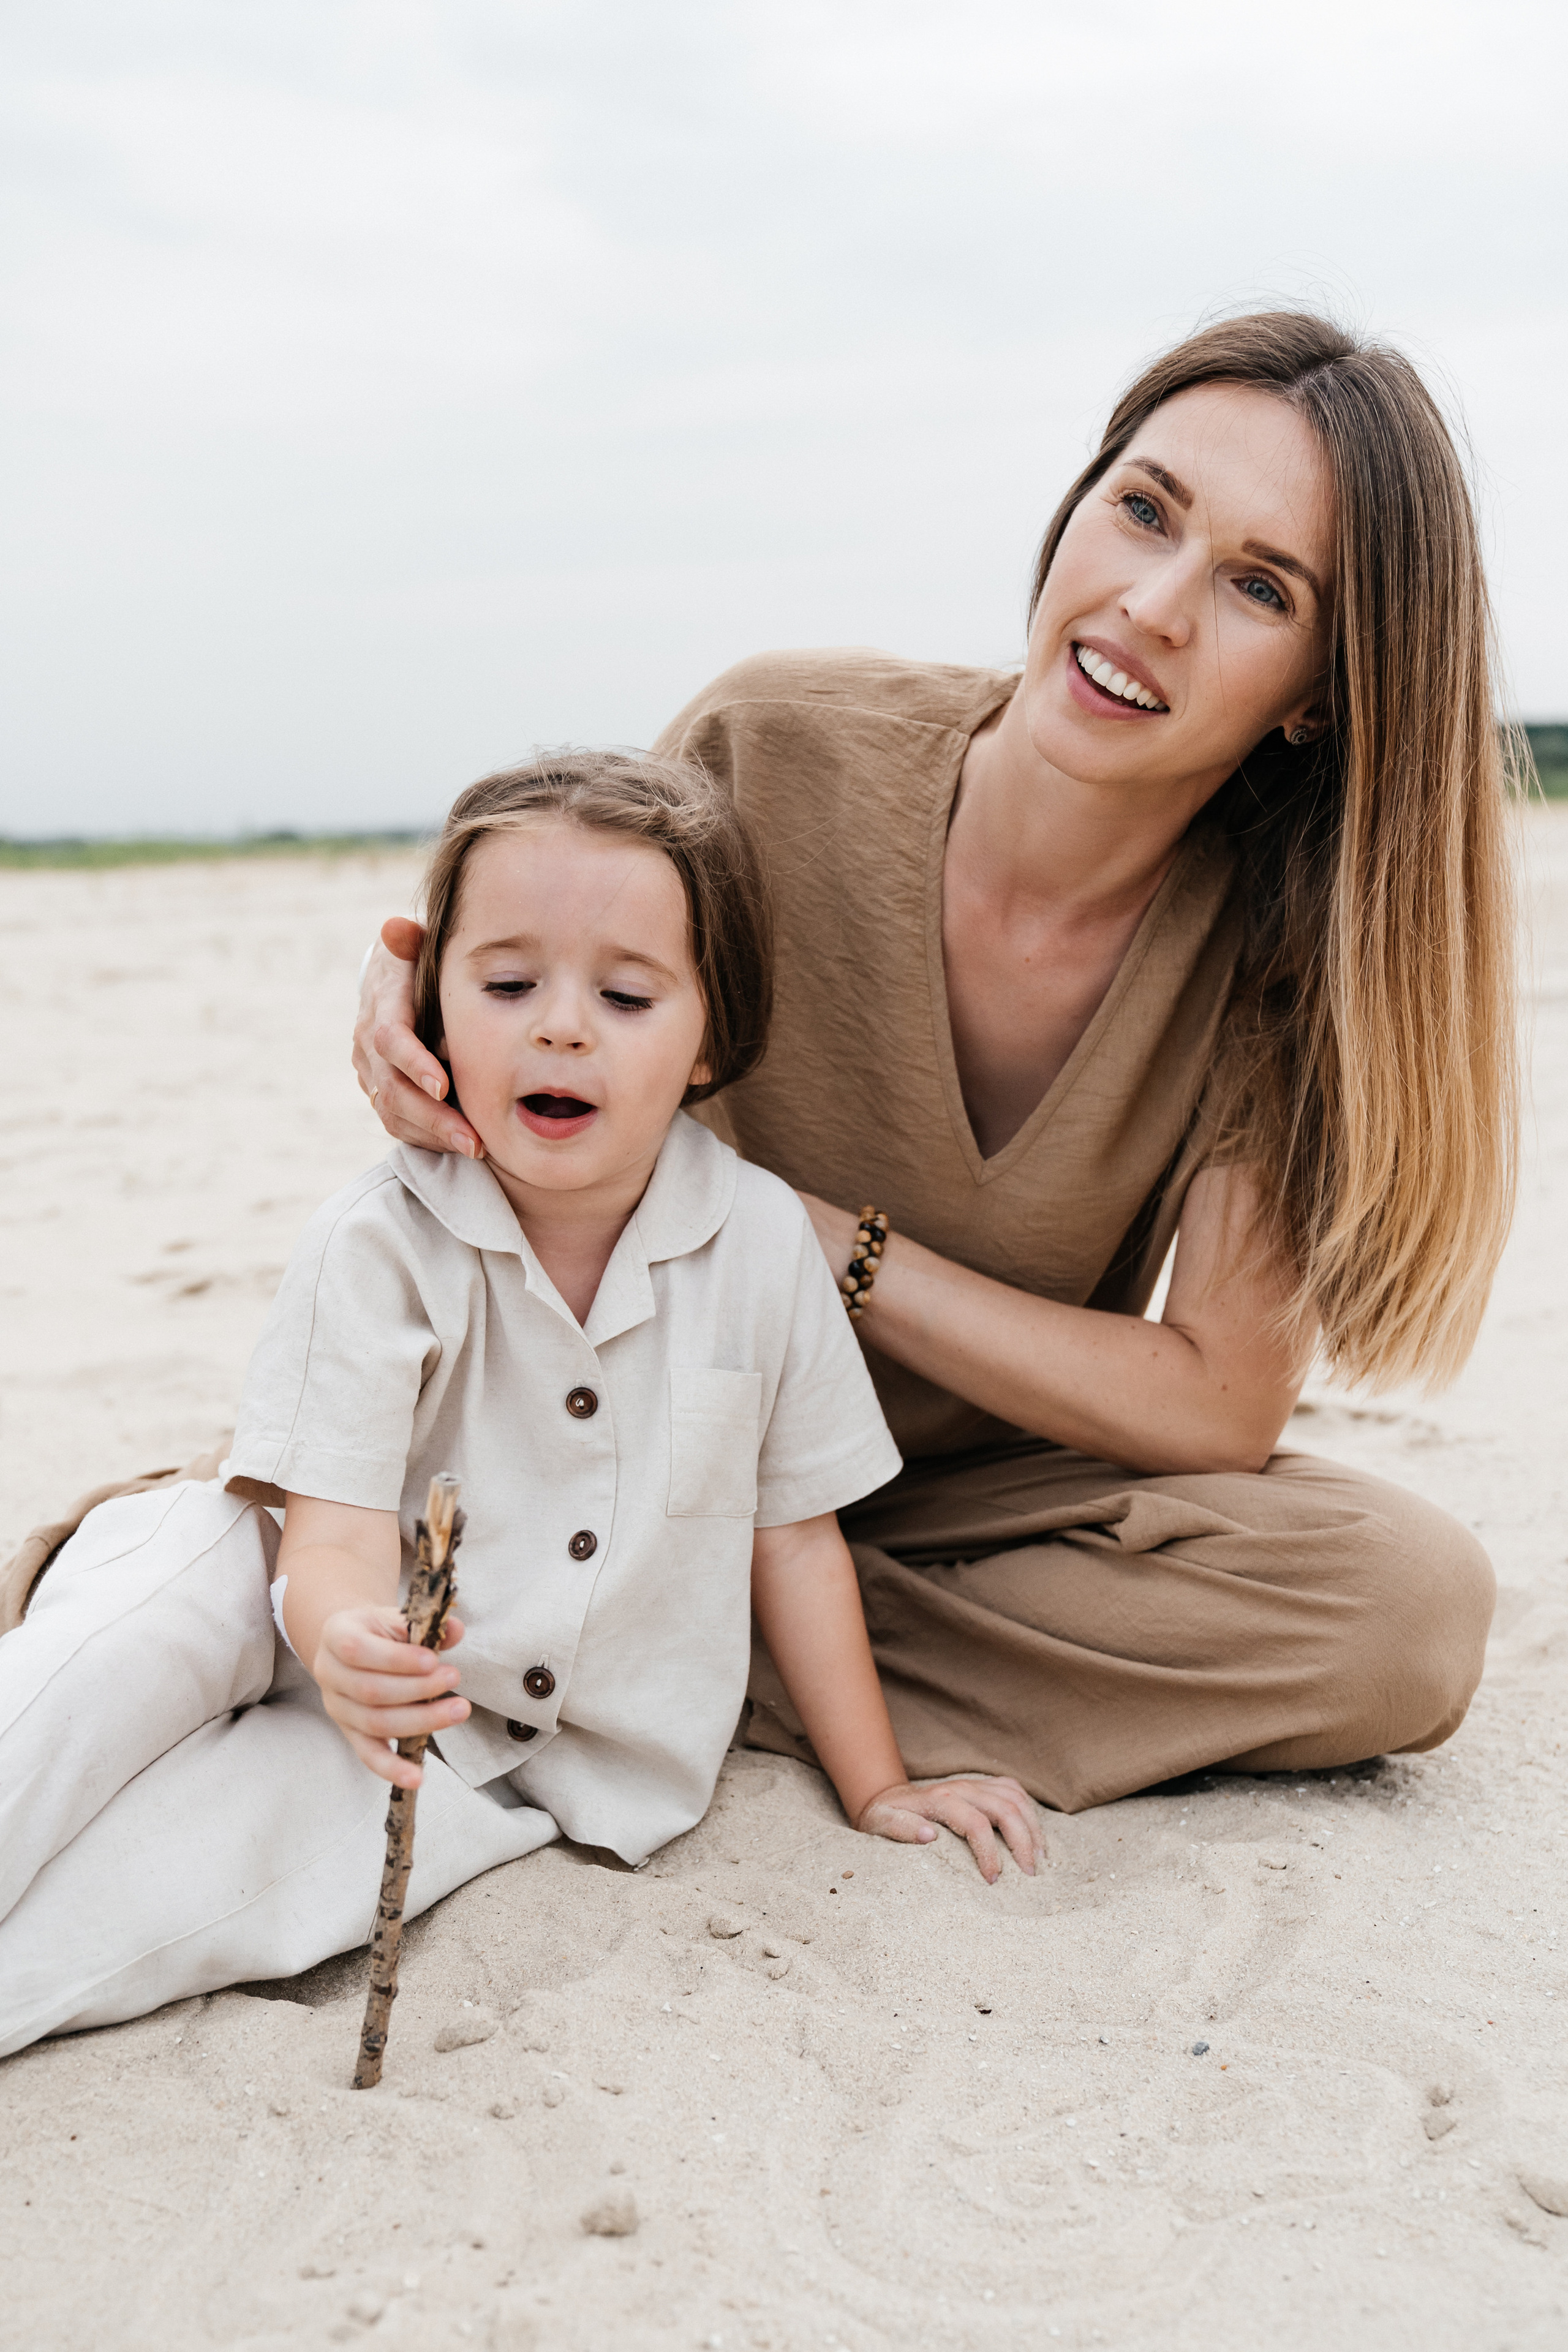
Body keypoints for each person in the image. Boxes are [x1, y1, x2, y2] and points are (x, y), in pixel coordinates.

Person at [356, 312, 1518, 1813]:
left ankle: (655, 1659)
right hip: (622, 1453)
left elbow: (1218, 1402)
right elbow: (528, 984)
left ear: (1318, 692)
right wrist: (405, 1011)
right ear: (1075, 507)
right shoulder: (770, 749)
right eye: (1142, 509)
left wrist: (827, 1250)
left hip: (946, 1517)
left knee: (1404, 1608)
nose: (1153, 604)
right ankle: (630, 1633)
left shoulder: (1278, 956)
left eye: (1254, 585)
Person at [0, 753, 1039, 2060]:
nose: (560, 1026)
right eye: (505, 985)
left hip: (470, 1754)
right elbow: (320, 1540)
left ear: (710, 1035)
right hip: (262, 1575)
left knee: (200, 1891)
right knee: (102, 1676)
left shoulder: (767, 1246)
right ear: (427, 1008)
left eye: (622, 993)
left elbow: (792, 1538)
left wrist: (877, 1780)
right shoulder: (381, 1239)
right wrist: (341, 1643)